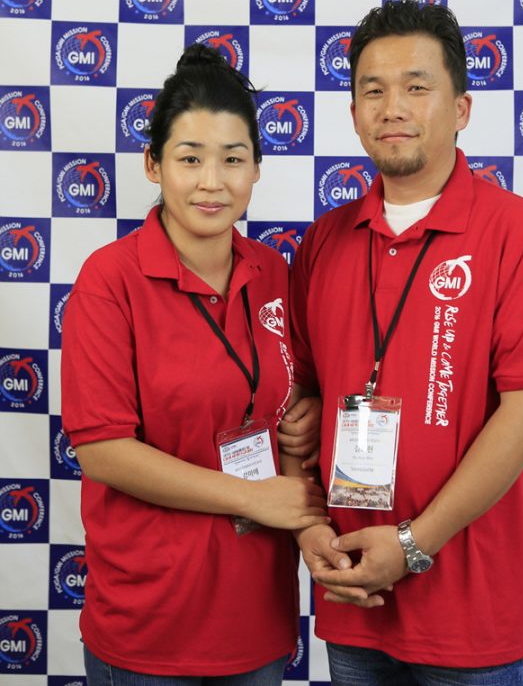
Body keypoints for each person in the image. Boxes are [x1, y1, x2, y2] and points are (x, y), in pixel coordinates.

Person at [290, 0, 523, 686]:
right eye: (373, 91)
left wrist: (414, 545)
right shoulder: (324, 241)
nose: (393, 108)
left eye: (417, 87)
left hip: (474, 617)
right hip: (353, 597)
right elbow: (297, 402)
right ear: (354, 112)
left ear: (462, 109)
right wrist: (307, 528)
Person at [60, 44, 326, 685]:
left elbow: (290, 394)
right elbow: (104, 452)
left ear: (256, 168)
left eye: (233, 159)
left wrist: (309, 413)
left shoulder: (274, 272)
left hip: (257, 615)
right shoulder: (110, 280)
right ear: (153, 165)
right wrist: (254, 498)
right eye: (189, 158)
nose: (212, 181)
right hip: (150, 620)